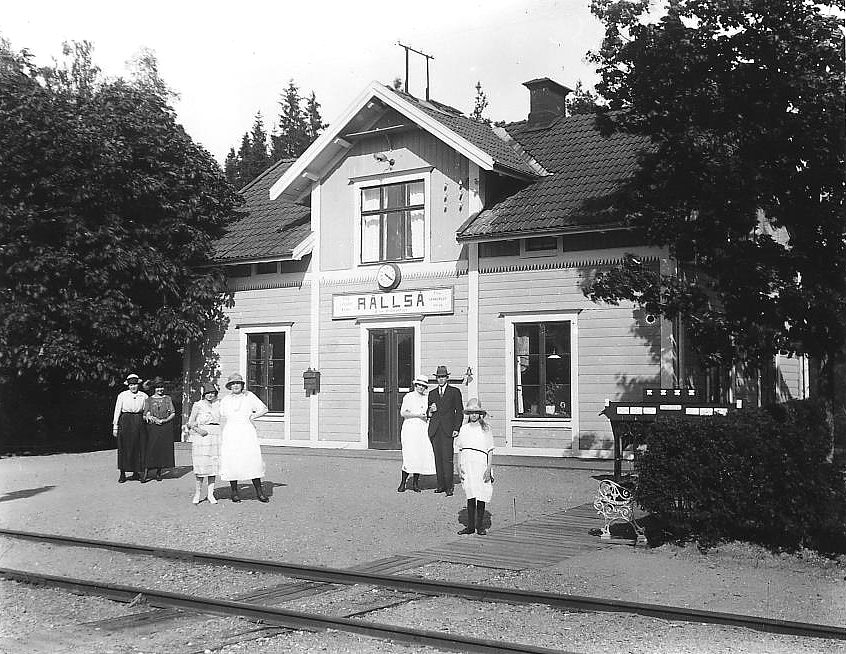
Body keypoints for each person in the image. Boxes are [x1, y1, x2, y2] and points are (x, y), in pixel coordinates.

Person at [219, 372, 270, 503]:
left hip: (246, 431)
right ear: (229, 386)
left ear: (242, 385)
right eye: (233, 384)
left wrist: (252, 417)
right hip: (231, 431)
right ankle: (234, 492)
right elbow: (219, 414)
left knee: (251, 458)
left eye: (238, 383)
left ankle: (259, 492)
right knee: (232, 460)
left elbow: (264, 409)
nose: (235, 386)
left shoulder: (249, 396)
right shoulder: (225, 400)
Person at [455, 398, 495, 536]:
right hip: (467, 462)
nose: (473, 415)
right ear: (468, 414)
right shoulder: (464, 429)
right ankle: (470, 526)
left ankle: (480, 526)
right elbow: (459, 449)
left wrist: (489, 468)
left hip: (481, 463)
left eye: (476, 412)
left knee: (481, 493)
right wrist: (458, 466)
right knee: (470, 494)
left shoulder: (485, 429)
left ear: (480, 414)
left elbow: (490, 450)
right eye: (471, 412)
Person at [426, 365, 463, 496]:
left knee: (447, 458)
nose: (441, 380)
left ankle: (449, 486)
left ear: (447, 378)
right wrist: (430, 410)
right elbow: (427, 412)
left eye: (443, 377)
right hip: (435, 430)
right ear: (436, 379)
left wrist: (456, 428)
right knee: (438, 458)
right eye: (439, 377)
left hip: (448, 430)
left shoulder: (454, 392)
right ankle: (440, 485)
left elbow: (459, 412)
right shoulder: (432, 393)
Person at [398, 374, 436, 493]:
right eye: (419, 385)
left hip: (422, 428)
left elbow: (428, 414)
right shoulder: (408, 396)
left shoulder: (426, 398)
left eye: (423, 386)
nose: (421, 387)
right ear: (415, 385)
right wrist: (417, 415)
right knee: (409, 454)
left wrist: (430, 411)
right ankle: (403, 482)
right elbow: (403, 413)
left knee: (419, 455)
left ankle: (415, 483)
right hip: (410, 428)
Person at [186, 382, 221, 504]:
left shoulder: (218, 404)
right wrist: (199, 430)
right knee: (201, 466)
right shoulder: (198, 405)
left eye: (213, 393)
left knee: (213, 465)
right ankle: (198, 493)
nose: (210, 395)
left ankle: (211, 494)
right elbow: (190, 422)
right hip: (202, 436)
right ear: (204, 394)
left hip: (215, 435)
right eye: (208, 393)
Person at [112, 373, 148, 483]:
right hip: (125, 421)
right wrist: (115, 426)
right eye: (131, 385)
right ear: (128, 385)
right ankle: (122, 473)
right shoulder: (122, 395)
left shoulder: (144, 396)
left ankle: (137, 472)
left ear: (138, 385)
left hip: (138, 420)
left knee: (139, 446)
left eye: (135, 384)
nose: (133, 387)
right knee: (124, 446)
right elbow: (117, 410)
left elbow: (147, 410)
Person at [142, 376, 176, 482]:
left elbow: (173, 413)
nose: (160, 389)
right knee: (151, 448)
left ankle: (158, 472)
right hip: (152, 427)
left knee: (161, 448)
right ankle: (146, 472)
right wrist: (149, 417)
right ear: (154, 388)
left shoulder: (167, 398)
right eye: (157, 387)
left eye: (161, 387)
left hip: (165, 426)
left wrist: (165, 420)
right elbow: (144, 415)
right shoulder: (149, 400)